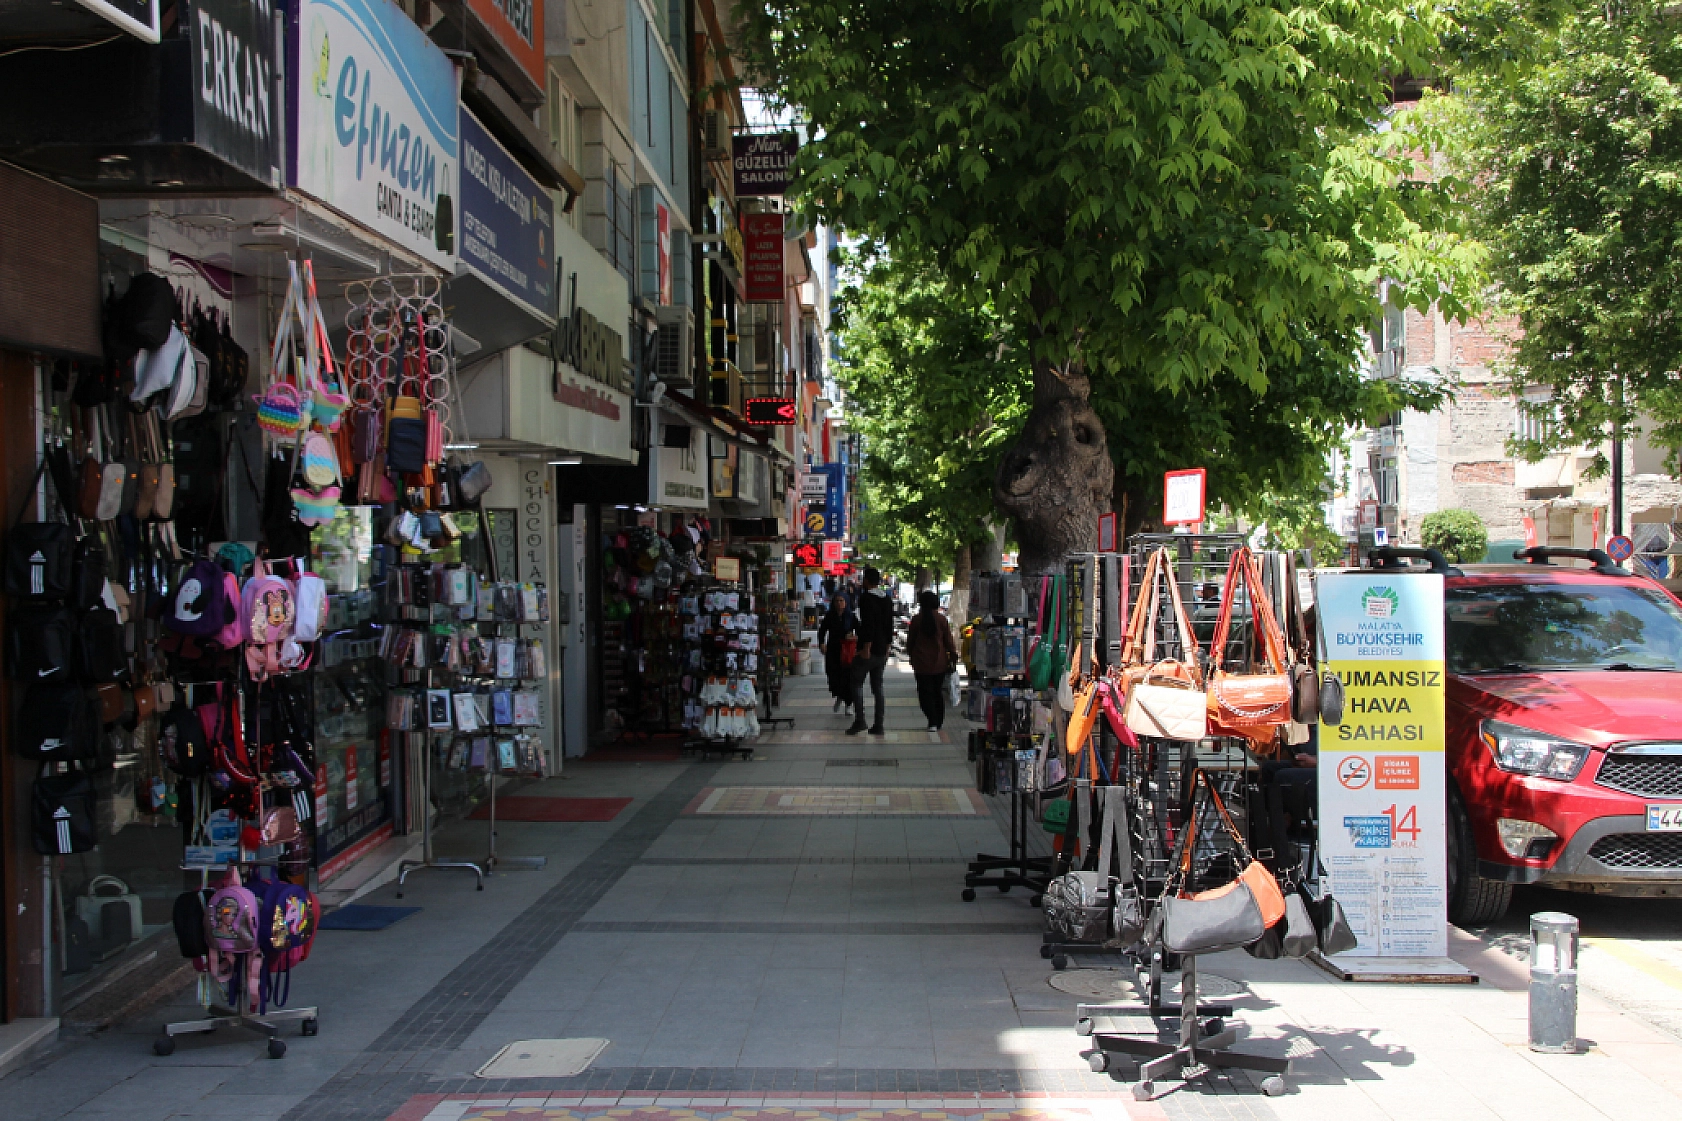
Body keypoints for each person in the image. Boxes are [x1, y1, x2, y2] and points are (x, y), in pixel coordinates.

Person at [846, 566, 895, 735]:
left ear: (867, 581)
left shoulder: (866, 599)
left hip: (869, 649)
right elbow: (889, 625)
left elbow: (868, 625)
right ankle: (879, 724)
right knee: (878, 687)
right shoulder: (887, 599)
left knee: (856, 682)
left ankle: (860, 720)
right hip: (882, 649)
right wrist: (888, 647)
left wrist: (866, 647)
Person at [905, 590, 959, 731]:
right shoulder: (941, 620)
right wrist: (953, 657)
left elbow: (911, 642)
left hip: (921, 663)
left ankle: (932, 720)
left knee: (924, 693)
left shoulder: (917, 620)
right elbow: (948, 641)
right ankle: (938, 721)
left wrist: (911, 656)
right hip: (939, 662)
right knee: (937, 692)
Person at [817, 592, 857, 714]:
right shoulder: (830, 616)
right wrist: (822, 644)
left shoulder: (851, 617)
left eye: (841, 601)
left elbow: (860, 631)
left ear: (846, 603)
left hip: (847, 652)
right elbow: (822, 631)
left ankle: (848, 704)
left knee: (847, 678)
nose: (839, 603)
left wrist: (854, 637)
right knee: (834, 677)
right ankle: (840, 696)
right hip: (833, 651)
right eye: (837, 601)